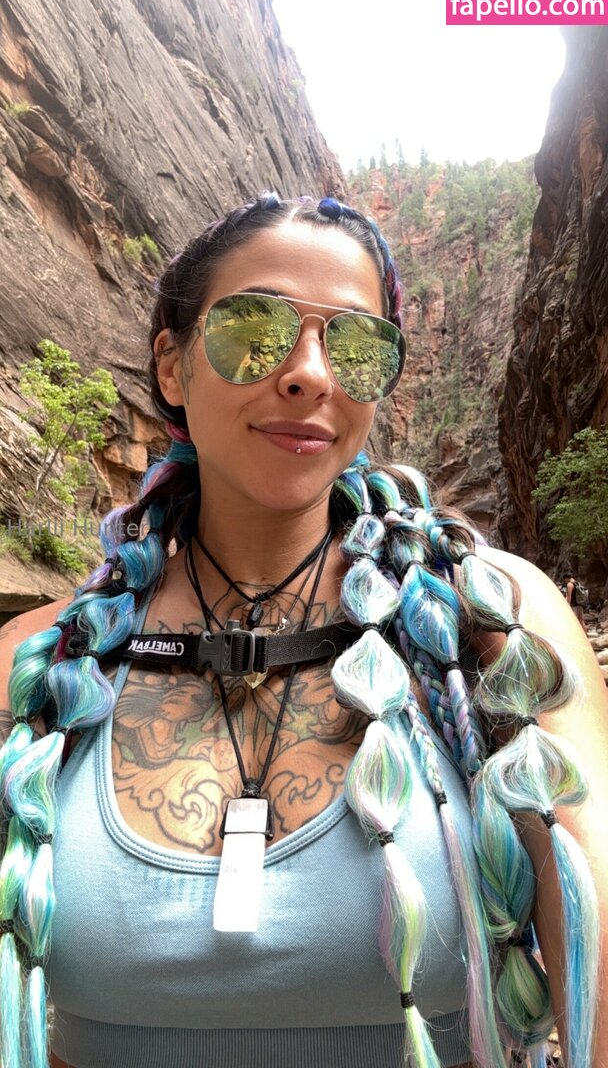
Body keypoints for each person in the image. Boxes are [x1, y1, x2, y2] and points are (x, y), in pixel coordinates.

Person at [0, 194, 607, 1068]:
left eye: (357, 347)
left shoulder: (496, 628)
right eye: (256, 329)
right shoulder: (34, 666)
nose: (312, 374)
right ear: (171, 367)